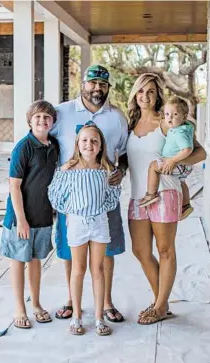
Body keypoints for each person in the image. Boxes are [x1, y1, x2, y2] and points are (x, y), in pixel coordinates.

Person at [50, 65, 129, 323]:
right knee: (71, 249)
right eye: (92, 83)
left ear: (108, 88)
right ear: (82, 84)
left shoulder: (117, 117)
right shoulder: (62, 112)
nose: (97, 88)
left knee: (106, 249)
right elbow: (43, 141)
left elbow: (124, 153)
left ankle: (106, 303)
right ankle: (72, 301)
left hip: (104, 190)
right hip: (73, 196)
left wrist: (121, 171)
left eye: (102, 84)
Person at [126, 73, 206, 325]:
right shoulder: (131, 124)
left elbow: (200, 152)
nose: (145, 96)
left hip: (165, 194)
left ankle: (159, 306)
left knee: (164, 250)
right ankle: (163, 301)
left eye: (150, 91)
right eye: (141, 91)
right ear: (135, 94)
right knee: (140, 250)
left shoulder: (168, 121)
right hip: (138, 196)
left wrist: (173, 161)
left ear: (157, 95)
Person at [48, 124, 121, 336]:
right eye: (85, 141)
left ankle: (99, 318)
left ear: (100, 147)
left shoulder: (106, 171)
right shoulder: (68, 170)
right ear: (78, 145)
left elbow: (112, 197)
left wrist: (98, 209)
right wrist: (71, 211)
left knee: (97, 270)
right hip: (77, 223)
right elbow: (54, 194)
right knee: (78, 270)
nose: (89, 144)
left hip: (99, 223)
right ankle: (77, 316)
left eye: (94, 141)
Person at [0, 100, 59, 329]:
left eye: (47, 117)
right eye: (38, 117)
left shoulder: (54, 146)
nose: (42, 121)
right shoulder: (23, 147)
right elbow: (14, 186)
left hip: (43, 215)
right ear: (30, 121)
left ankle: (36, 304)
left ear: (53, 122)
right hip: (20, 217)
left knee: (36, 260)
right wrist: (22, 220)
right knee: (18, 261)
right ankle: (19, 308)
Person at [139, 96, 194, 207]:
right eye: (167, 114)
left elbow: (188, 149)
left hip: (178, 164)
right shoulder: (184, 128)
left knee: (153, 166)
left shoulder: (179, 133)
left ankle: (151, 194)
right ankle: (186, 205)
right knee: (182, 181)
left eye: (175, 115)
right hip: (184, 166)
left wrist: (172, 160)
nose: (169, 118)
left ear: (184, 116)